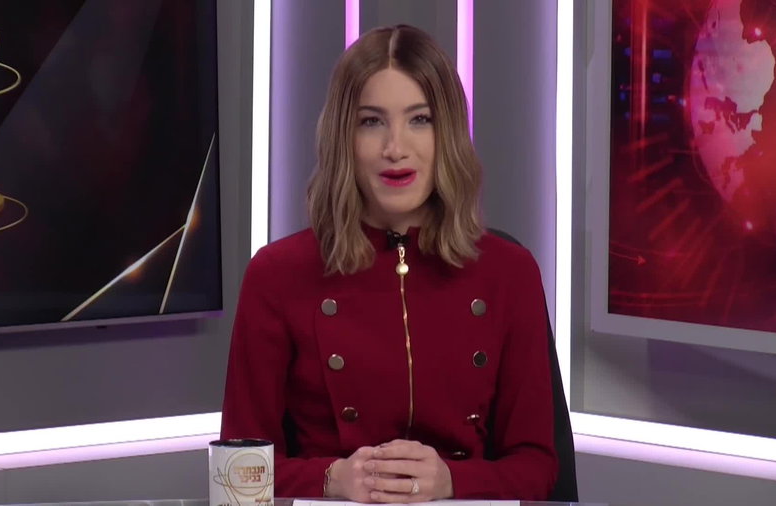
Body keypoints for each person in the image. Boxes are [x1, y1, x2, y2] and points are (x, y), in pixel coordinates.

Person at [221, 24, 557, 501]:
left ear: (447, 133)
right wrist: (331, 479)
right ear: (344, 136)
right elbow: (237, 472)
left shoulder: (510, 272)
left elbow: (538, 468)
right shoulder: (276, 275)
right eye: (371, 122)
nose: (395, 148)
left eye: (420, 119)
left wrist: (451, 482)